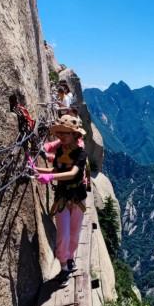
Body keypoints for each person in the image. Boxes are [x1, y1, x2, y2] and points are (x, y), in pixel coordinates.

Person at [35, 115, 87, 275]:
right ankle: (64, 266)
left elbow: (73, 173)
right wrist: (36, 170)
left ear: (75, 135)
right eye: (60, 133)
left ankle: (70, 257)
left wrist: (50, 177)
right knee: (63, 235)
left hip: (77, 197)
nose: (62, 136)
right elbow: (56, 169)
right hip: (63, 197)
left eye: (66, 133)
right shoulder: (60, 151)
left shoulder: (81, 154)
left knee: (74, 234)